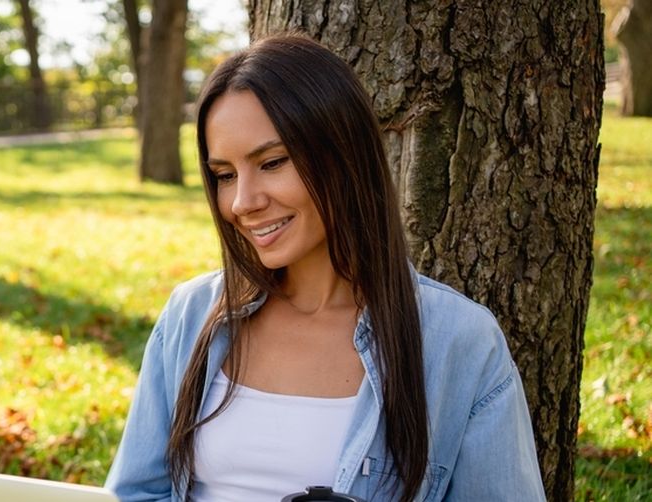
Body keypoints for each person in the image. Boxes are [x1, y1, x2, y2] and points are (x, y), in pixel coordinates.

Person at [104, 33, 545, 502]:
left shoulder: (458, 341)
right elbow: (137, 493)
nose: (242, 202)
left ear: (343, 154)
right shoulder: (190, 315)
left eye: (272, 162)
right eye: (224, 175)